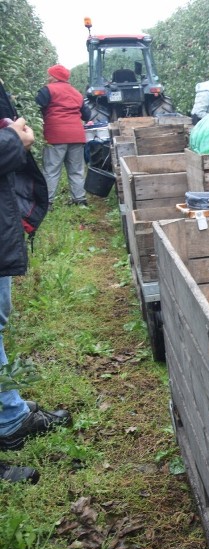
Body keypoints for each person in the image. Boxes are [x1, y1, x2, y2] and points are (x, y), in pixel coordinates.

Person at [0, 80, 71, 483]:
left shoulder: (50, 90)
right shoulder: (70, 93)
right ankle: (10, 419)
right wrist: (13, 140)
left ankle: (11, 412)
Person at [36, 64, 92, 208]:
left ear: (54, 77)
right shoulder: (76, 93)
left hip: (55, 135)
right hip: (76, 135)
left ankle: (47, 203)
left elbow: (37, 107)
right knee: (77, 170)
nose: (47, 77)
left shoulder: (47, 90)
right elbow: (87, 115)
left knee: (51, 170)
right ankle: (80, 201)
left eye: (49, 75)